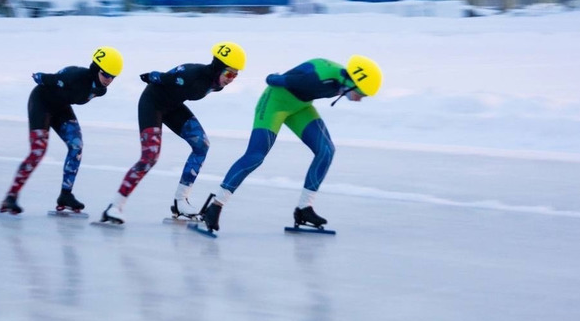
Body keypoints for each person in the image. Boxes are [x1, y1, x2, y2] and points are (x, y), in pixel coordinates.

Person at [200, 55, 382, 233]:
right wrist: (273, 77)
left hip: (300, 106)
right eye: (361, 93)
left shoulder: (342, 81)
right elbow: (275, 81)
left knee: (326, 151)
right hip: (275, 103)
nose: (360, 99)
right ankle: (216, 205)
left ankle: (304, 209)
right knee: (255, 156)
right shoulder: (319, 79)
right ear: (353, 83)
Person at [100, 42, 247, 225]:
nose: (231, 79)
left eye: (235, 75)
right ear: (217, 68)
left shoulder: (218, 84)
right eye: (229, 73)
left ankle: (181, 202)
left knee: (202, 145)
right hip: (152, 104)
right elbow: (163, 77)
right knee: (150, 156)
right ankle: (114, 206)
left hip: (173, 106)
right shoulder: (192, 76)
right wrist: (150, 76)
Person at [0, 46, 124, 215]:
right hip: (41, 103)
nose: (109, 80)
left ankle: (66, 195)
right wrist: (40, 77)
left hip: (61, 108)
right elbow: (52, 78)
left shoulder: (100, 90)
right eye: (106, 74)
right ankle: (11, 197)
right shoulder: (75, 76)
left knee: (77, 146)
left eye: (113, 77)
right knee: (38, 151)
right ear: (96, 69)